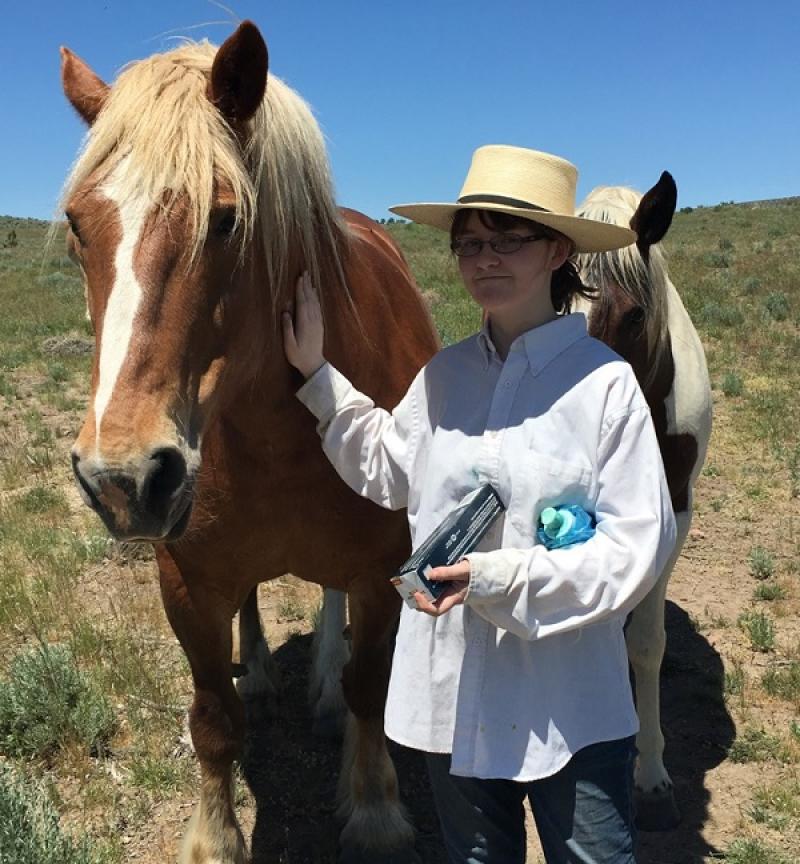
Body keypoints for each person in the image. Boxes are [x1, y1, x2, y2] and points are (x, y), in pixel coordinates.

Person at [282, 145, 676, 864]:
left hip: (572, 709)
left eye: (506, 240)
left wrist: (496, 581)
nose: (484, 259)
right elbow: (391, 469)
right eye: (469, 244)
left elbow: (633, 551)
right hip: (455, 702)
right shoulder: (444, 377)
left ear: (558, 251)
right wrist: (317, 375)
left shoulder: (606, 386)